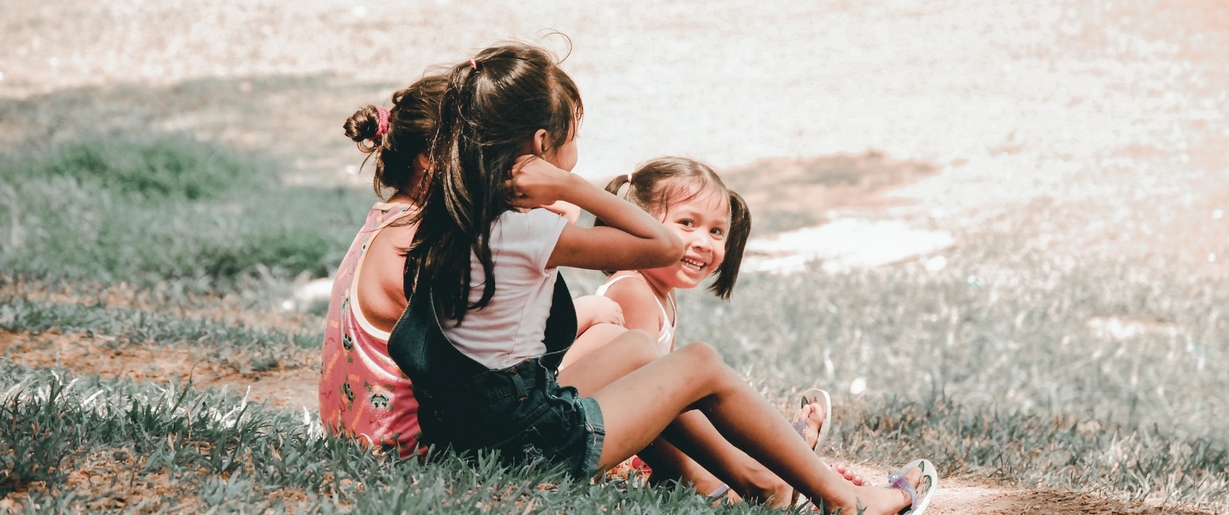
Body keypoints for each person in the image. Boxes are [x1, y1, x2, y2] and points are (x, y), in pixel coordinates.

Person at [386, 40, 932, 514]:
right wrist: (570, 188)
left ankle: (758, 484)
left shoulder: (452, 213)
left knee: (639, 352)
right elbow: (662, 245)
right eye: (572, 136)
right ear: (541, 146)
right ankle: (846, 501)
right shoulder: (523, 231)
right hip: (526, 441)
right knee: (699, 363)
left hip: (467, 431)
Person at [318, 74, 446, 457]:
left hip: (355, 437)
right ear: (429, 161)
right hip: (406, 451)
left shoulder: (388, 219)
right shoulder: (417, 240)